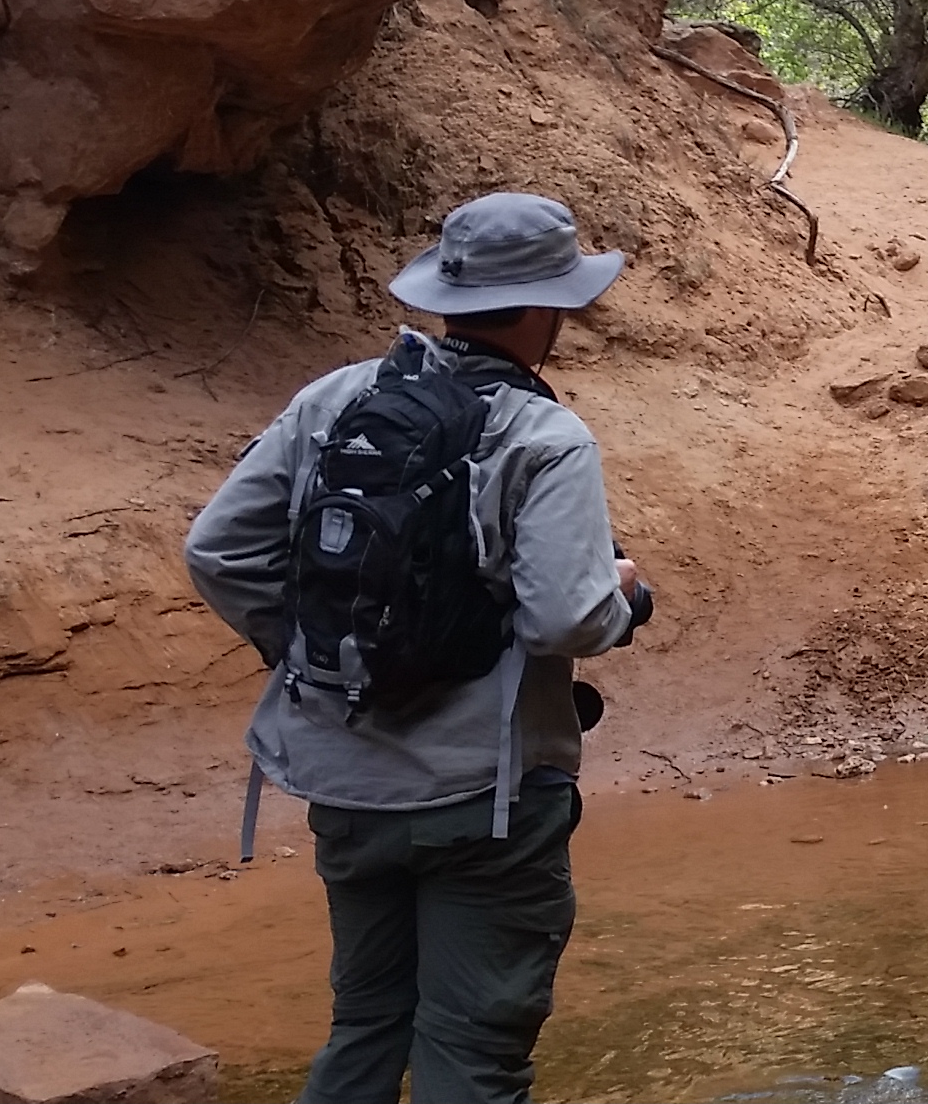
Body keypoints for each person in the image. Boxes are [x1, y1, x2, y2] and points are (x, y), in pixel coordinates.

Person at [184, 192, 651, 1104]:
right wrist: (623, 597)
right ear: (552, 308)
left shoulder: (339, 397)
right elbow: (565, 619)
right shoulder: (545, 436)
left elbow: (217, 550)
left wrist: (318, 653)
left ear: (448, 293)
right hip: (489, 796)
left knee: (364, 1025)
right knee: (474, 1050)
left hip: (343, 777)